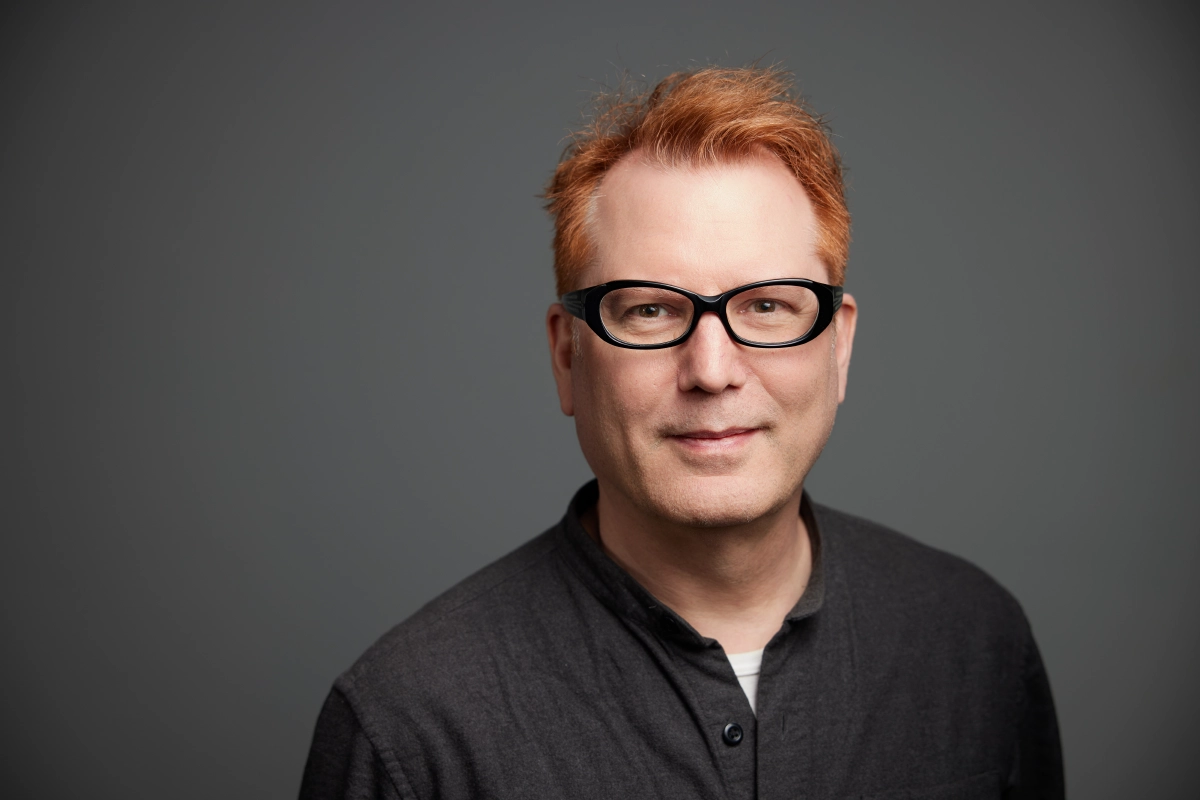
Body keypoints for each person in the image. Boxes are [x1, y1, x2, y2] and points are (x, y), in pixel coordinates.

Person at [299, 65, 1063, 800]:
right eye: (650, 311)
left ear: (839, 348)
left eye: (767, 306)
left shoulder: (976, 643)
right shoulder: (410, 726)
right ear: (567, 356)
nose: (712, 369)